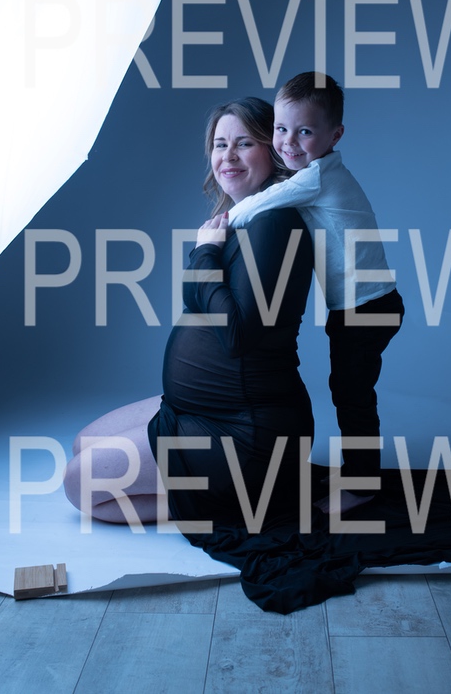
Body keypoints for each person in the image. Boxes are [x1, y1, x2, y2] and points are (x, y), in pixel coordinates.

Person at [63, 96, 315, 531]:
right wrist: (207, 252)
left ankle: (246, 494)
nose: (228, 157)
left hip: (244, 432)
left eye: (244, 144)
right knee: (83, 443)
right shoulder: (239, 218)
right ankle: (221, 489)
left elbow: (235, 335)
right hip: (196, 409)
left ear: (273, 152)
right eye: (220, 145)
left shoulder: (274, 223)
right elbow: (201, 298)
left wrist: (204, 254)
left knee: (79, 485)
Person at [228, 72, 405, 514]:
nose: (288, 142)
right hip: (364, 305)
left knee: (352, 395)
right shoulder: (319, 174)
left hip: (367, 307)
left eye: (304, 132)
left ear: (334, 136)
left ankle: (362, 484)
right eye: (280, 129)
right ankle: (357, 471)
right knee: (349, 390)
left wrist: (221, 225)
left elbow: (263, 202)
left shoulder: (318, 177)